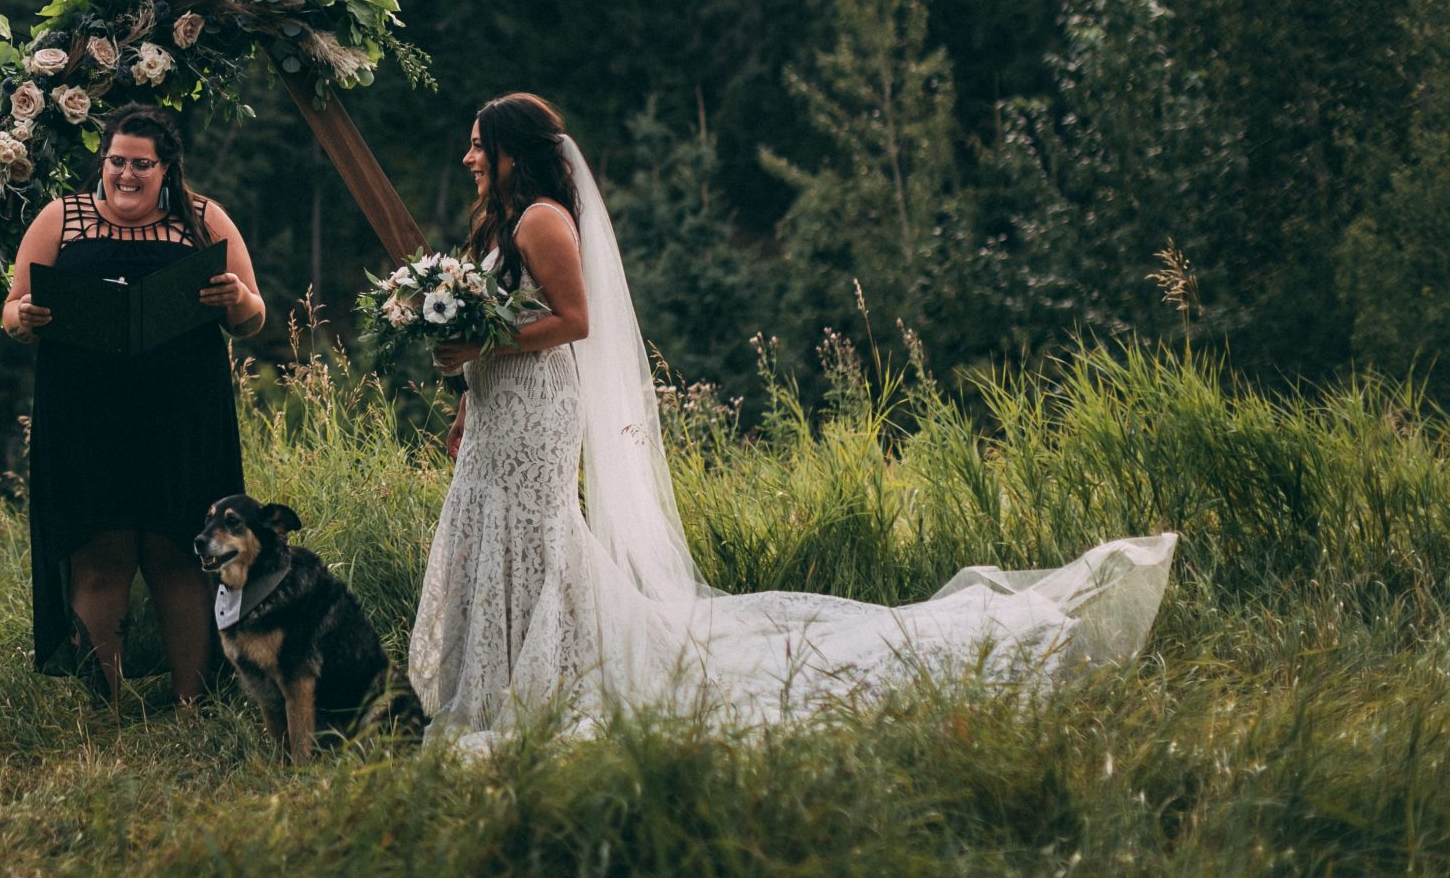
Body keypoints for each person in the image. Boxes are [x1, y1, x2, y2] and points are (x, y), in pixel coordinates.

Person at [406, 92, 1179, 743]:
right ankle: (507, 678)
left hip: (539, 414)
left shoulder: (543, 218)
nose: (470, 157)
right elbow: (512, 320)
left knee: (537, 532)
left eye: (481, 146)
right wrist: (474, 397)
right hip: (502, 412)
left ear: (515, 151)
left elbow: (574, 322)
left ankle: (549, 679)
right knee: (499, 527)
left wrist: (484, 343)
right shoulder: (498, 224)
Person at [3, 105, 266, 703]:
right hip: (84, 416)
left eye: (141, 164)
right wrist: (27, 315)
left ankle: (189, 706)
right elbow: (11, 311)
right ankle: (104, 706)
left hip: (182, 415)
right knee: (99, 556)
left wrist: (237, 297)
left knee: (180, 555)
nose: (126, 174)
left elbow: (252, 320)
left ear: (167, 169)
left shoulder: (204, 220)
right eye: (116, 161)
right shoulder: (61, 218)